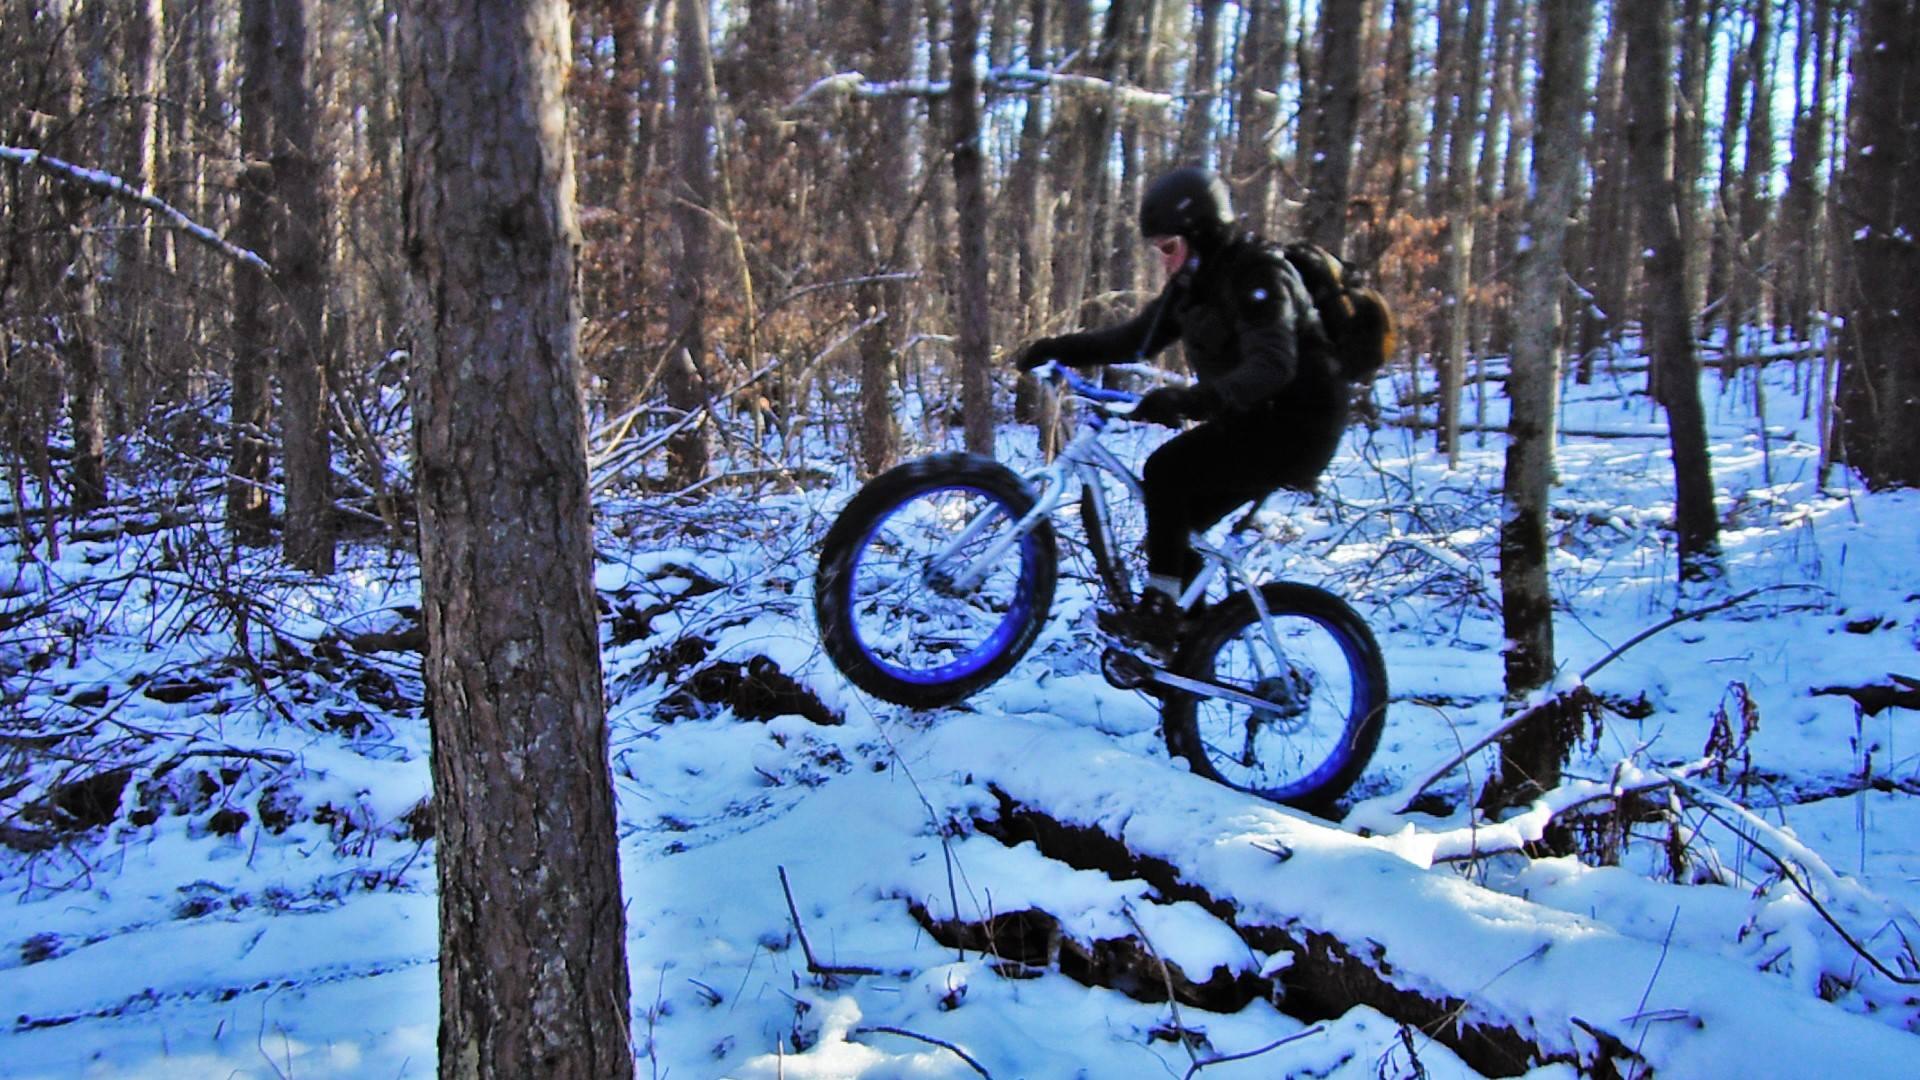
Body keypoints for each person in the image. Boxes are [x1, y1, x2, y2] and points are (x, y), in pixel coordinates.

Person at [1015, 165, 1358, 658]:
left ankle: (1158, 615)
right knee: (1177, 535)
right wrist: (1056, 348)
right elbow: (1134, 340)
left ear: (1205, 235)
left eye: (1170, 248)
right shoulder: (1194, 287)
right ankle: (1189, 648)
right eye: (1159, 251)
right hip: (1258, 420)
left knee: (1167, 471)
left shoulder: (1259, 276)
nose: (1166, 264)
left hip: (1299, 426)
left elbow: (1273, 364)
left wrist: (1193, 400)